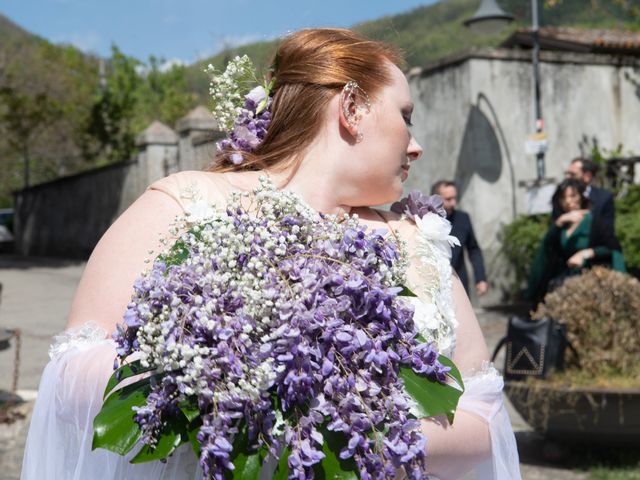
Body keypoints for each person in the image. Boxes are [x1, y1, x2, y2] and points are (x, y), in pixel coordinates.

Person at [21, 29, 520, 479]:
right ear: (351, 107)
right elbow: (73, 367)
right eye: (405, 118)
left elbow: (483, 416)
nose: (416, 147)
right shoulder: (187, 203)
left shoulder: (419, 242)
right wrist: (227, 386)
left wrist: (359, 441)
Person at [527, 178, 625, 306]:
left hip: (591, 280)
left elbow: (612, 247)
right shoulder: (563, 224)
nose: (568, 201)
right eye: (564, 197)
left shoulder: (594, 222)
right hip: (565, 282)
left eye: (573, 196)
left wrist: (587, 253)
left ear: (581, 197)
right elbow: (548, 248)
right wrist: (558, 223)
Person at [431, 180, 488, 298]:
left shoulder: (463, 219)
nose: (453, 203)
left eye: (454, 198)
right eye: (448, 199)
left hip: (459, 281)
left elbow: (473, 249)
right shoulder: (426, 220)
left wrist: (480, 278)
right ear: (436, 199)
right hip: (433, 283)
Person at [553, 157, 615, 228]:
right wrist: (561, 221)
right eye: (567, 173)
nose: (568, 177)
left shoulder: (603, 198)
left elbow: (607, 230)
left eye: (573, 174)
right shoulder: (559, 197)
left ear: (587, 176)